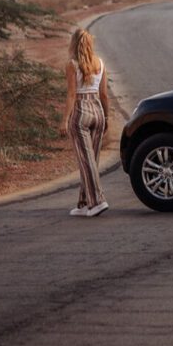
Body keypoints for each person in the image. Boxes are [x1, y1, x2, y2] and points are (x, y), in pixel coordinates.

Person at [60, 28, 109, 217]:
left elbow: (72, 94)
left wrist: (64, 120)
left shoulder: (72, 64)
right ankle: (84, 203)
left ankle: (98, 201)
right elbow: (104, 94)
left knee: (85, 160)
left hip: (80, 112)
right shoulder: (101, 63)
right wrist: (107, 118)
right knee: (91, 160)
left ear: (73, 43)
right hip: (98, 112)